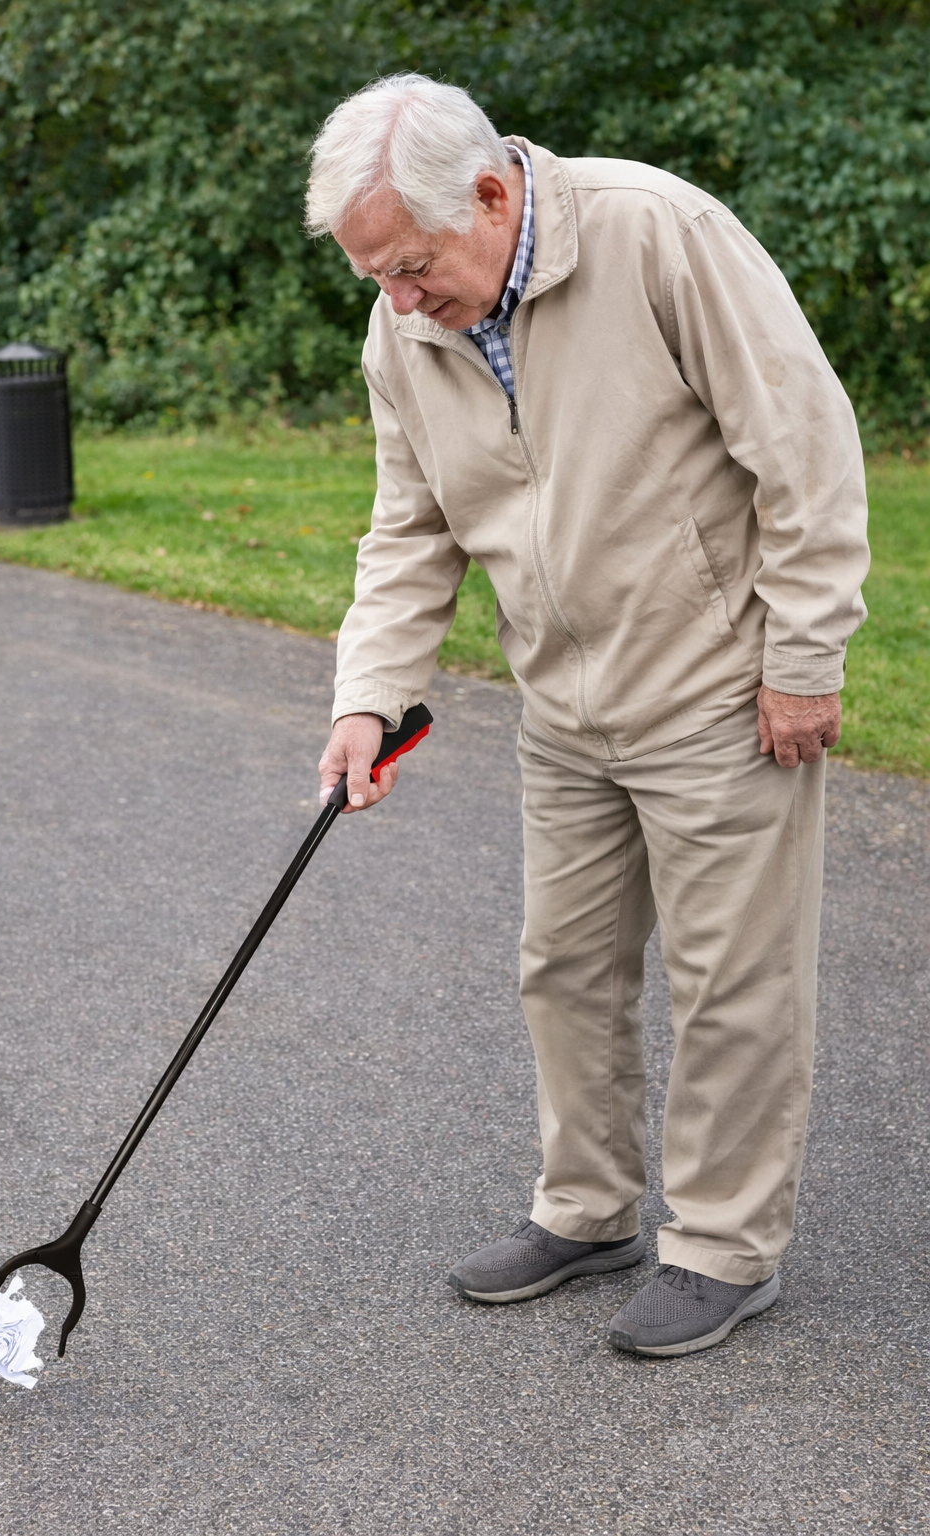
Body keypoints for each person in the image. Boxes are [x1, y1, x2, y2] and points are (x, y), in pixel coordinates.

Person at [305, 74, 869, 1357]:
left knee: (730, 984)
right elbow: (409, 531)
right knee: (563, 968)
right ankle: (587, 1208)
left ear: (490, 195)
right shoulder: (405, 329)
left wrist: (803, 656)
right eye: (374, 279)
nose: (399, 302)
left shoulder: (658, 233)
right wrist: (369, 699)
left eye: (412, 267)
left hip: (716, 686)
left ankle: (722, 1246)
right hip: (561, 702)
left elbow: (805, 450)